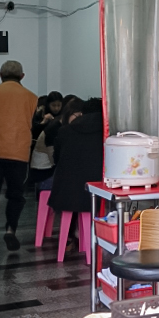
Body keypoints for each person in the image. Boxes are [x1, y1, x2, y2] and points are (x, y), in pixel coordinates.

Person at [0, 60, 38, 251]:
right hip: (19, 153)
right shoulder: (32, 98)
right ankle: (10, 230)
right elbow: (34, 125)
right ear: (22, 77)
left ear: (0, 75)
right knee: (16, 195)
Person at [49, 98, 104, 254]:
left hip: (66, 192)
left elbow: (57, 158)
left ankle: (69, 240)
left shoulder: (65, 130)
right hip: (98, 193)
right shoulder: (107, 132)